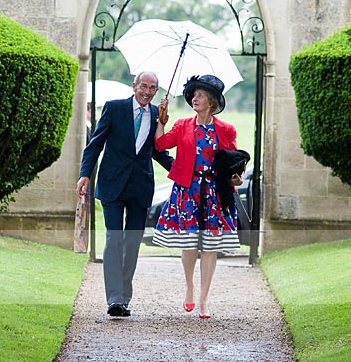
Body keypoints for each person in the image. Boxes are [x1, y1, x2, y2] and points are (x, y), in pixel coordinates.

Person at [77, 71, 173, 318]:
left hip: (140, 187)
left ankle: (124, 296)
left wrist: (183, 172)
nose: (147, 91)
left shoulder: (156, 116)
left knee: (131, 243)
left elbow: (158, 152)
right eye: (143, 86)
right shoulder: (114, 108)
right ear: (134, 86)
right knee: (114, 238)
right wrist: (85, 174)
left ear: (156, 92)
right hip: (112, 183)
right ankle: (115, 299)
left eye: (153, 88)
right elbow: (95, 144)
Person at [151, 74, 243, 319]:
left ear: (211, 101)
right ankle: (190, 286)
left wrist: (235, 176)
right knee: (189, 243)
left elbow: (232, 161)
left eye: (200, 95)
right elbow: (160, 144)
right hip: (187, 190)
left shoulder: (226, 130)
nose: (194, 98)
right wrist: (162, 118)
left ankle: (204, 299)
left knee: (210, 246)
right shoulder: (182, 125)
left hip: (214, 192)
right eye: (193, 95)